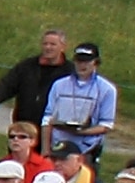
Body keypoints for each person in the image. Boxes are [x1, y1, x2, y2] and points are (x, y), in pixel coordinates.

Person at [40, 42, 119, 170]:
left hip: (86, 149)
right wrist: (45, 150)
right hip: (58, 146)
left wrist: (80, 131)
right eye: (79, 61)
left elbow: (106, 125)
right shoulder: (59, 85)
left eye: (87, 61)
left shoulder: (107, 89)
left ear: (96, 63)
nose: (82, 65)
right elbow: (47, 119)